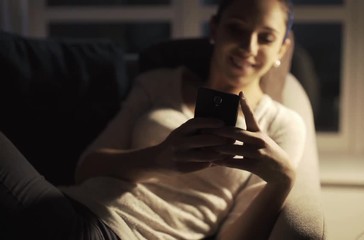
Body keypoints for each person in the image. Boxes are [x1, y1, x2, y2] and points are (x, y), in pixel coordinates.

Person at [0, 0, 306, 239]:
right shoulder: (159, 83)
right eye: (236, 29)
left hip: (116, 234)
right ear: (214, 30)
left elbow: (232, 237)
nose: (248, 48)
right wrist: (159, 158)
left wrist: (282, 181)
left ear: (283, 47)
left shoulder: (283, 124)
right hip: (66, 204)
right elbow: (86, 168)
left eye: (265, 38)